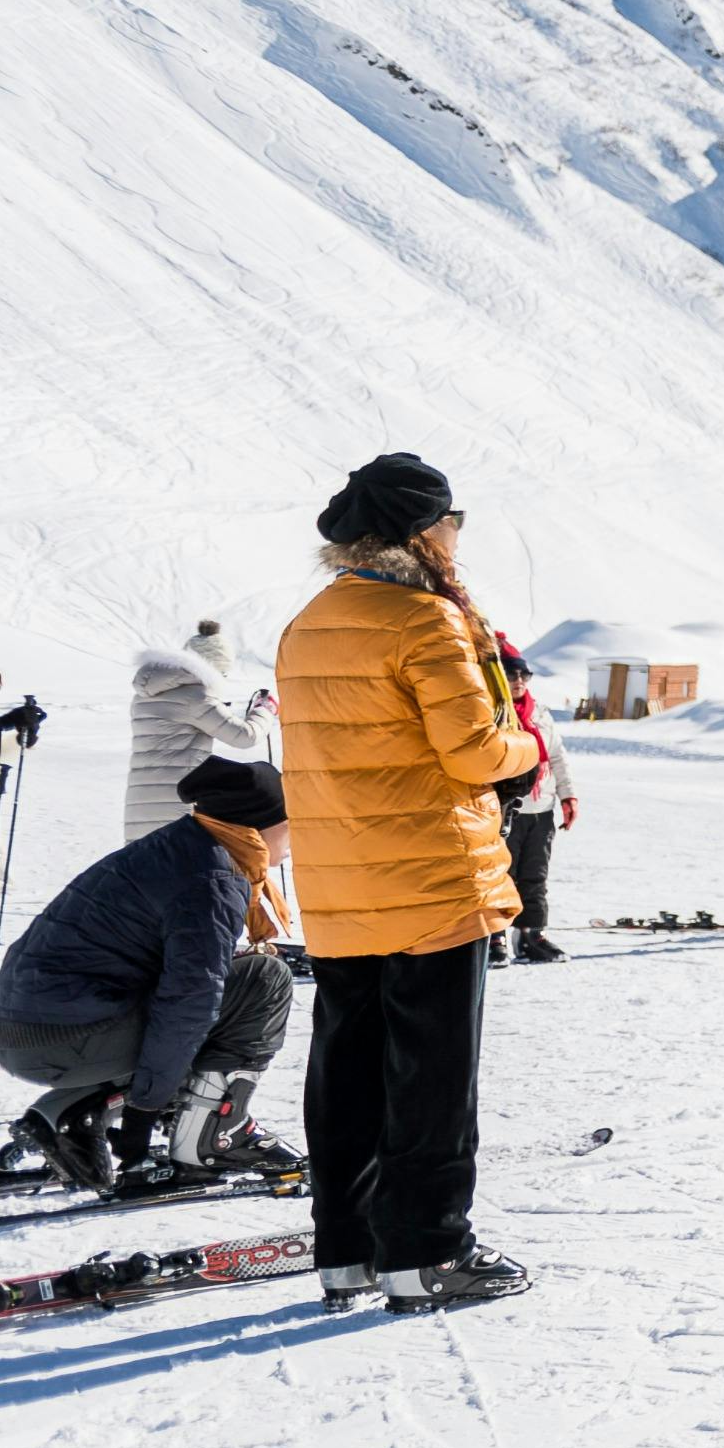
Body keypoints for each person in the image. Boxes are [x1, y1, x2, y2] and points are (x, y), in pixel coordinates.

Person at [278, 452, 542, 1311]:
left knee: (345, 1070)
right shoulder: (424, 621)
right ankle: (428, 1252)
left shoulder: (309, 620)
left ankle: (345, 1252)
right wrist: (529, 748)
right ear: (423, 532)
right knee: (430, 1077)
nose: (458, 538)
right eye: (452, 523)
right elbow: (472, 749)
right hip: (431, 877)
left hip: (340, 881)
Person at [0, 755, 303, 1193]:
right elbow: (188, 1007)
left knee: (226, 985)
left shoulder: (182, 845)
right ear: (258, 825)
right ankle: (211, 1136)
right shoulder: (210, 879)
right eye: (292, 821)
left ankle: (70, 1112)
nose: (298, 835)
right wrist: (143, 1112)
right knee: (263, 980)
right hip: (64, 1038)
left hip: (27, 1030)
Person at [123, 619, 269, 845]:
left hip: (139, 806)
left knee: (147, 873)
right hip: (177, 804)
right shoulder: (195, 697)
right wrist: (265, 710)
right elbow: (244, 737)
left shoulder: (146, 694)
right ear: (212, 668)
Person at [490, 630, 577, 964]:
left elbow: (557, 756)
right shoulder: (493, 712)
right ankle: (494, 937)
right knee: (501, 875)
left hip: (542, 808)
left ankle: (531, 936)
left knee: (535, 876)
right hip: (505, 809)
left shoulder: (538, 712)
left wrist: (569, 797)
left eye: (523, 673)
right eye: (511, 673)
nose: (519, 680)